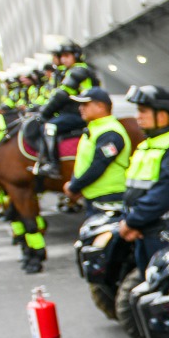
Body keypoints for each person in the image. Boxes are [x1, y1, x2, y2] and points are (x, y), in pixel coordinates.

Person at [117, 84, 169, 272]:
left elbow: (163, 195)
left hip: (165, 234)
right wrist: (130, 221)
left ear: (162, 115)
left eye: (143, 111)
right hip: (144, 231)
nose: (138, 116)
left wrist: (131, 222)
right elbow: (133, 192)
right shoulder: (146, 146)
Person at [35, 40, 100, 178]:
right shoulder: (68, 71)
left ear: (76, 55)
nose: (63, 59)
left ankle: (53, 165)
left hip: (81, 113)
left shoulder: (79, 70)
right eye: (61, 56)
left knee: (50, 126)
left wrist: (43, 113)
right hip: (73, 112)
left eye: (67, 55)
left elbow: (62, 94)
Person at [63, 88, 132, 216]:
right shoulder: (96, 128)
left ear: (100, 106)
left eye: (85, 104)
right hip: (97, 196)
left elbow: (98, 165)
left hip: (109, 197)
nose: (80, 108)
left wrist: (74, 187)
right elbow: (83, 163)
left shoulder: (110, 132)